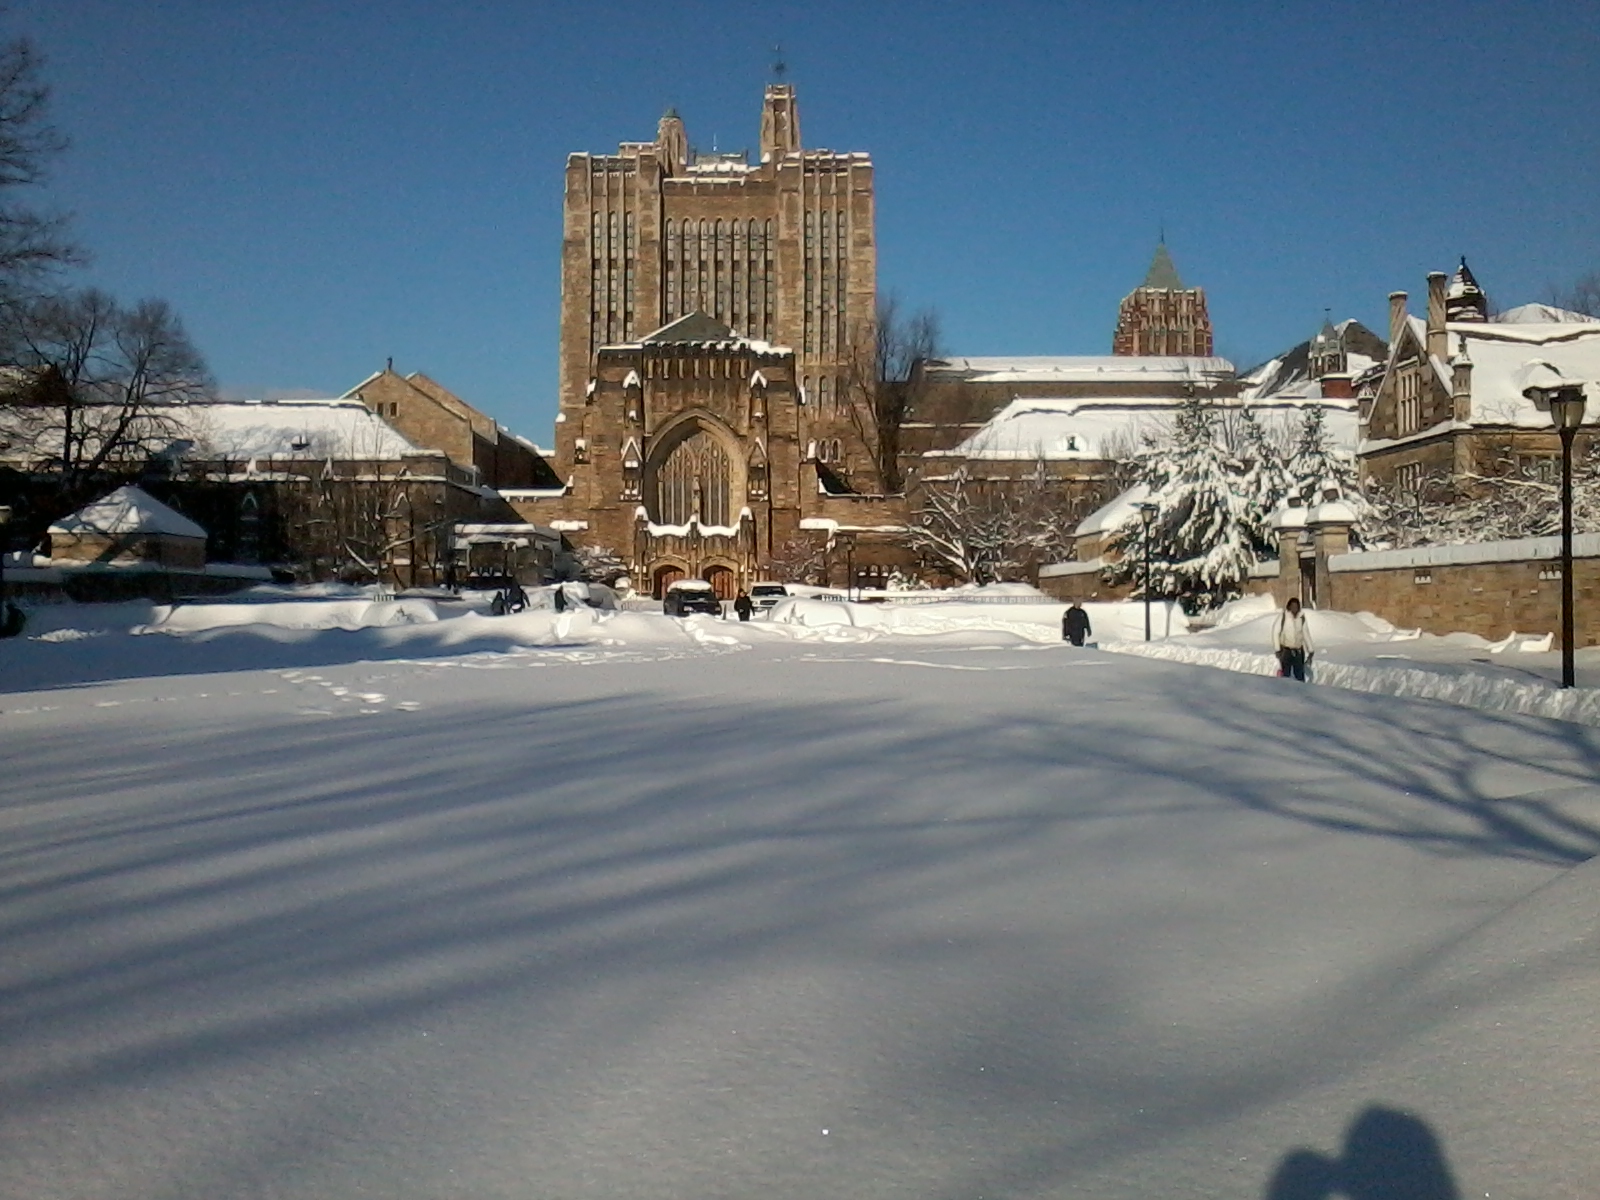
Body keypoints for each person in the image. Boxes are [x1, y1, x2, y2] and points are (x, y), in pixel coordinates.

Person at [1272, 597, 1314, 681]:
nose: (1294, 608)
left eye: (1296, 606)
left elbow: (1305, 633)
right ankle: (1285, 692)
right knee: (1285, 675)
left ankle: (1300, 692)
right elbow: (1275, 632)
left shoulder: (1301, 618)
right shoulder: (1284, 616)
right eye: (1292, 606)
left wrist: (1311, 649)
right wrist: (1277, 649)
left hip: (1298, 651)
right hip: (1286, 651)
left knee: (1299, 675)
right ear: (1289, 607)